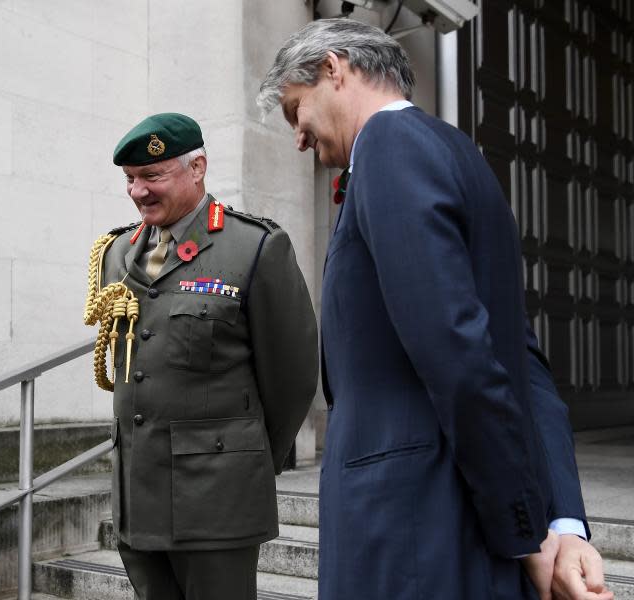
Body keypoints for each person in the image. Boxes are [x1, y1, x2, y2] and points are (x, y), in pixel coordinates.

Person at [256, 19, 612, 600]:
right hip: (451, 526)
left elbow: (458, 351)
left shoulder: (389, 147)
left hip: (411, 532)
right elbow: (522, 364)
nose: (297, 137)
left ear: (333, 68)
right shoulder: (455, 152)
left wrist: (527, 534)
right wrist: (561, 522)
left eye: (296, 111)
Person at [83, 112, 319, 599]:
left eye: (152, 176)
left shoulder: (252, 246)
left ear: (198, 168)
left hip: (218, 500)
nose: (138, 191)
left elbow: (293, 379)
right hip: (138, 497)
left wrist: (243, 459)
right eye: (130, 179)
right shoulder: (115, 253)